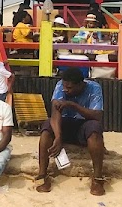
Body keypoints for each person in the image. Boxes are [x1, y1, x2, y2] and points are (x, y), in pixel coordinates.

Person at [36, 67, 107, 196]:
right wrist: (58, 137)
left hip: (83, 124)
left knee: (95, 128)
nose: (65, 90)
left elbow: (97, 116)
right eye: (64, 86)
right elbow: (55, 113)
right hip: (64, 123)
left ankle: (97, 178)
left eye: (69, 88)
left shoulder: (94, 88)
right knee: (46, 128)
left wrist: (72, 105)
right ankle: (42, 175)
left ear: (80, 85)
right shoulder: (60, 85)